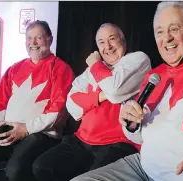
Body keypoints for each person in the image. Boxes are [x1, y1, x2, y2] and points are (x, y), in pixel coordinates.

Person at [71, 2, 183, 181]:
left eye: (174, 29)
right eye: (160, 32)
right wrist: (131, 124)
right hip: (143, 166)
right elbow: (141, 136)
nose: (166, 38)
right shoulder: (155, 75)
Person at [0, 20, 75, 181]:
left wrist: (25, 129)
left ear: (50, 40)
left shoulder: (61, 69)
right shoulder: (15, 68)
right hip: (8, 129)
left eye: (38, 38)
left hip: (40, 134)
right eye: (29, 38)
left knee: (14, 170)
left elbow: (56, 112)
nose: (33, 43)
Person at [32, 23, 152, 181]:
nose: (107, 46)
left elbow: (115, 91)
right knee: (42, 166)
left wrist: (96, 66)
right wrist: (100, 96)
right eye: (101, 42)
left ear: (123, 41)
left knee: (91, 177)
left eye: (112, 39)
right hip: (82, 140)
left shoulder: (137, 59)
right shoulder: (93, 70)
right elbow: (72, 103)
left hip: (118, 142)